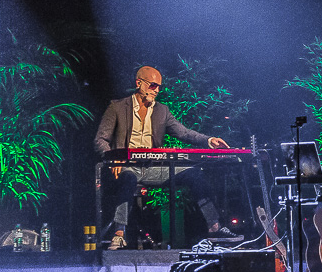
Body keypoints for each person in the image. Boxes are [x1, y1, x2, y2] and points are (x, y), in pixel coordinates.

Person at [93, 65, 238, 249]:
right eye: (153, 85)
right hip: (127, 166)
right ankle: (119, 234)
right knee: (128, 177)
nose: (157, 90)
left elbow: (184, 133)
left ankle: (214, 227)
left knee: (194, 174)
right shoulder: (117, 107)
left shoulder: (162, 111)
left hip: (153, 168)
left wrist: (209, 140)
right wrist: (114, 158)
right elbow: (100, 139)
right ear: (139, 83)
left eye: (159, 87)